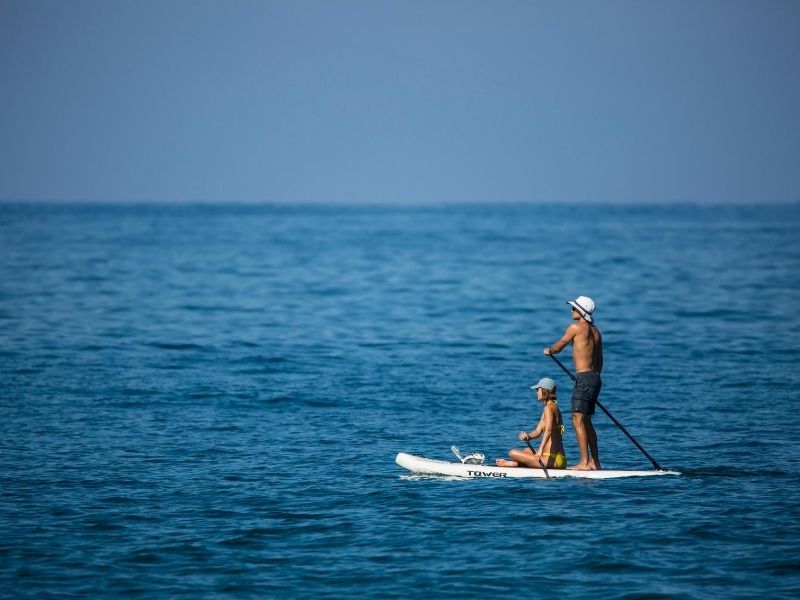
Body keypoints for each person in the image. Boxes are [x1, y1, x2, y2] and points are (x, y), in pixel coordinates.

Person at [544, 295, 603, 470]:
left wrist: (549, 350)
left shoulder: (576, 327)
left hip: (584, 378)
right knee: (587, 421)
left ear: (581, 311)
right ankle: (595, 463)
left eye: (574, 308)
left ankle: (584, 463)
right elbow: (600, 360)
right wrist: (593, 379)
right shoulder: (596, 331)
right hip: (595, 378)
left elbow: (559, 346)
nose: (571, 311)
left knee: (577, 420)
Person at [496, 377, 567, 469]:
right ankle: (517, 464)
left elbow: (548, 431)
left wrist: (540, 451)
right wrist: (528, 436)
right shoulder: (551, 406)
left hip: (553, 460)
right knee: (526, 450)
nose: (536, 392)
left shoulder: (549, 408)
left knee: (512, 453)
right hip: (556, 457)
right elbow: (538, 431)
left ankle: (516, 464)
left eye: (538, 389)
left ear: (545, 390)